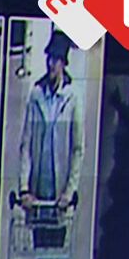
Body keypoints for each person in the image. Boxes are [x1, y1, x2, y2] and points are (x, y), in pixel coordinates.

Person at [17, 27, 84, 218]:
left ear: (63, 63)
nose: (51, 64)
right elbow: (26, 145)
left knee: (58, 234)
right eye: (49, 58)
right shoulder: (36, 95)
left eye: (56, 59)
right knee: (37, 233)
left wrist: (69, 191)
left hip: (59, 196)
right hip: (37, 193)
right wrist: (24, 188)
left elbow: (77, 149)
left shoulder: (72, 98)